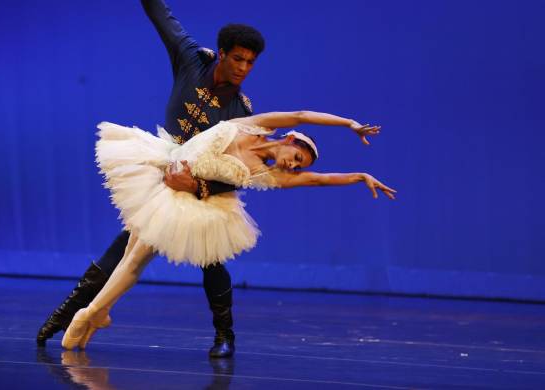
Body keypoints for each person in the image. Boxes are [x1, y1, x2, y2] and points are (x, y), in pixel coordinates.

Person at [38, 0, 268, 358]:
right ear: (222, 53)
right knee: (125, 244)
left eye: (250, 62)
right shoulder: (191, 59)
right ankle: (66, 315)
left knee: (211, 257)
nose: (243, 68)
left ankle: (225, 336)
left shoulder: (241, 111)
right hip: (162, 168)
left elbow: (239, 173)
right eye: (238, 58)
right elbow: (161, 14)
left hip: (199, 184)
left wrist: (199, 186)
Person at [61, 109, 396, 350]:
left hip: (182, 200)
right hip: (161, 171)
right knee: (131, 256)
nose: (292, 165)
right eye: (296, 156)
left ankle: (87, 315)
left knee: (135, 258)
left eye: (298, 166)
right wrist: (349, 124)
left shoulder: (266, 174)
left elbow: (321, 180)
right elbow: (303, 114)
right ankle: (95, 313)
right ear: (289, 139)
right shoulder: (253, 125)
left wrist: (359, 176)